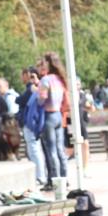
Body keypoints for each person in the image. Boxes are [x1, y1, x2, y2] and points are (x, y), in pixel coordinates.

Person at [37, 52, 70, 191]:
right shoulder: (60, 79)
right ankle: (65, 178)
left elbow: (42, 99)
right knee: (60, 150)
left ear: (48, 63)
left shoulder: (46, 80)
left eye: (44, 62)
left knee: (51, 151)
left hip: (48, 116)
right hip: (58, 115)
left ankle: (57, 182)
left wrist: (36, 95)